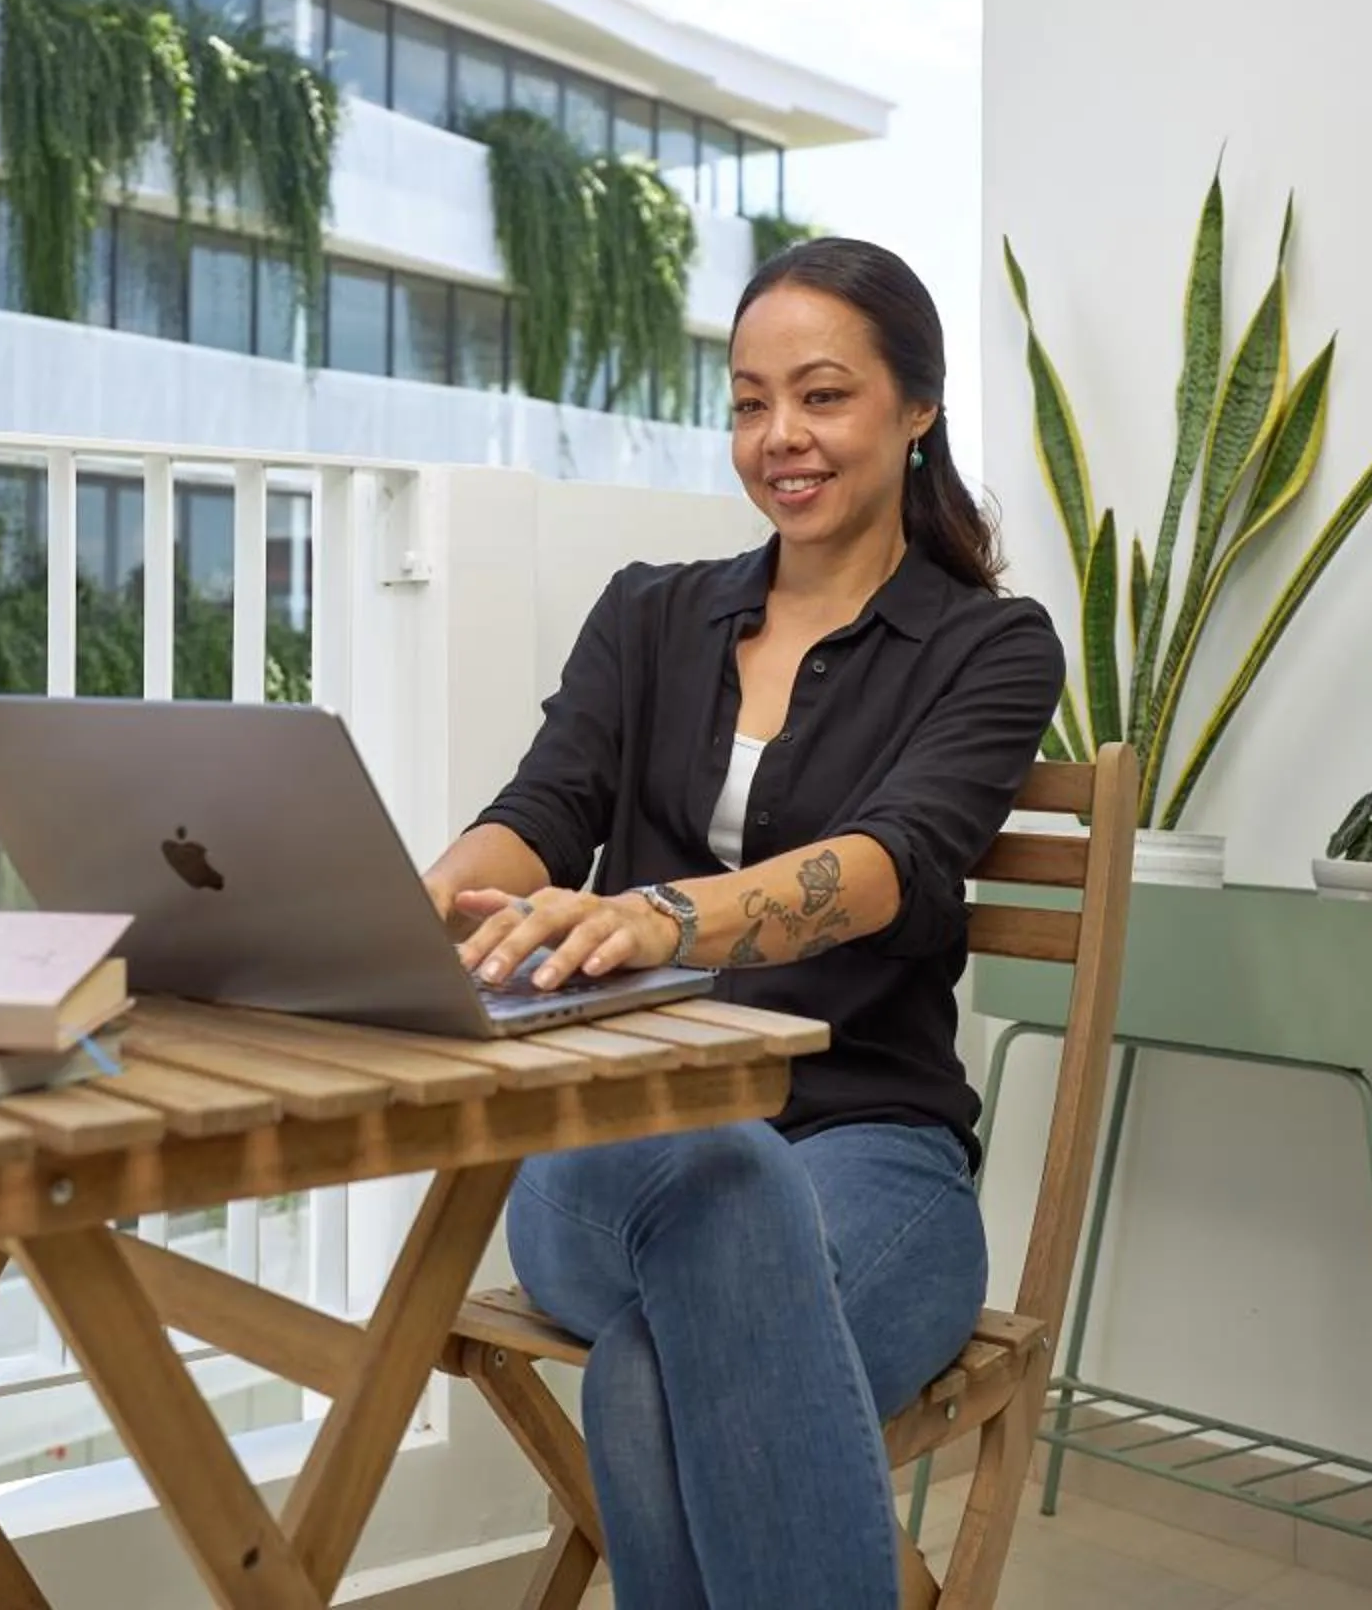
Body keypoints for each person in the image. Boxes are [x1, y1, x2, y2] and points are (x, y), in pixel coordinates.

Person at [417, 237, 1065, 1608]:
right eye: (749, 400)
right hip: (622, 1153)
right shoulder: (650, 615)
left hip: (871, 1154)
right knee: (716, 1175)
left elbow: (892, 862)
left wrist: (665, 916)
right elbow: (540, 811)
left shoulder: (989, 649)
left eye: (823, 396)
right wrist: (411, 908)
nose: (782, 437)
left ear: (917, 408)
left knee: (657, 1366)